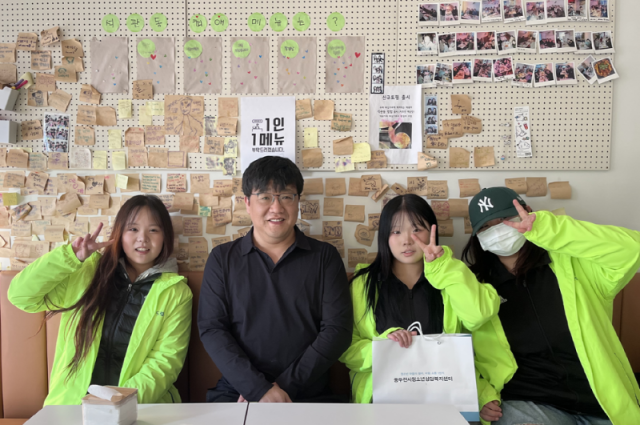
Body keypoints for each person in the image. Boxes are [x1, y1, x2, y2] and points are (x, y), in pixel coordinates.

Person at [427, 187, 640, 424]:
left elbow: (632, 250)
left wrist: (545, 229)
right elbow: (459, 350)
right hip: (528, 402)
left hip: (602, 402)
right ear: (477, 235)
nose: (498, 230)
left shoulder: (576, 268)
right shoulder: (474, 286)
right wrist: (483, 394)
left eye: (505, 218)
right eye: (486, 227)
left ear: (527, 212)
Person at [8, 195, 192, 405]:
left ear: (166, 236)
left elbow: (164, 363)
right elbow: (21, 296)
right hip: (72, 407)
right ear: (119, 233)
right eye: (133, 229)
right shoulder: (86, 271)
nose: (142, 238)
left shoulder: (176, 292)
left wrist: (119, 402)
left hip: (139, 408)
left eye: (153, 230)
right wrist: (70, 257)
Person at [199, 156, 352, 403]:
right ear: (247, 203)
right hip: (239, 391)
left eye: (286, 196)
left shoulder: (325, 257)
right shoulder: (222, 259)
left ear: (298, 202)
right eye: (265, 197)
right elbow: (212, 329)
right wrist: (257, 388)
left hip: (307, 391)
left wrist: (282, 389)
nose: (276, 208)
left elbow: (338, 331)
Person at [340, 194, 500, 403]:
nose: (407, 240)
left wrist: (482, 395)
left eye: (417, 229)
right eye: (396, 231)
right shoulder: (362, 284)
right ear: (384, 236)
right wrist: (385, 347)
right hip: (382, 402)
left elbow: (477, 319)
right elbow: (345, 348)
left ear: (433, 231)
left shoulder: (451, 277)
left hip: (443, 397)